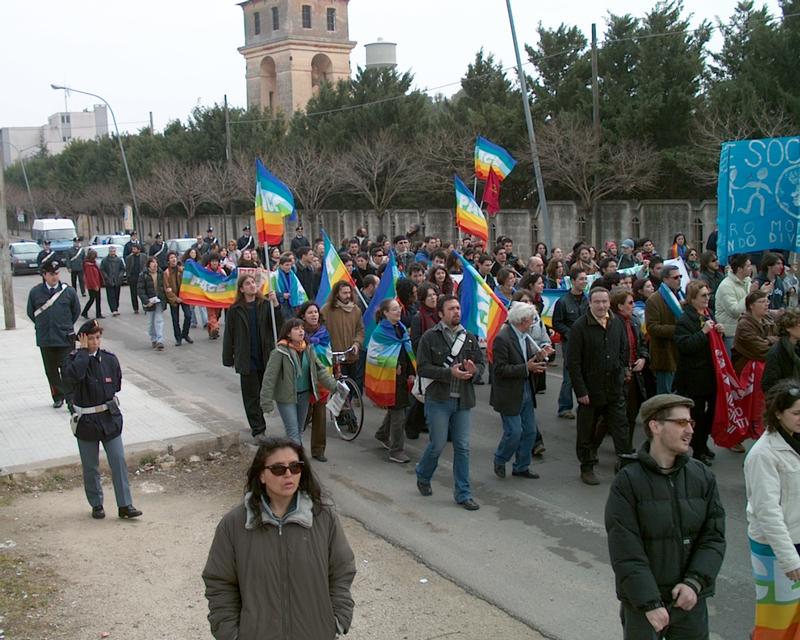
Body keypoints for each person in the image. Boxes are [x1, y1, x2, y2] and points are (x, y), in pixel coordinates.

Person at [202, 437, 356, 639]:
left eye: (295, 467)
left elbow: (342, 569)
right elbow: (219, 582)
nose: (289, 474)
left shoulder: (323, 518)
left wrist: (337, 619)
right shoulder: (234, 524)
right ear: (262, 475)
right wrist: (230, 633)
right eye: (278, 469)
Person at [605, 394, 726, 639]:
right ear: (655, 426)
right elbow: (625, 549)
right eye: (681, 423)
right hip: (644, 606)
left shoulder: (701, 476)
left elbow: (714, 537)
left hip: (690, 601)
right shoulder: (628, 482)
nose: (690, 430)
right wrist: (649, 603)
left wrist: (694, 583)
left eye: (691, 423)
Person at [63, 320, 142, 520]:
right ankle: (96, 504)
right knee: (90, 466)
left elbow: (115, 385)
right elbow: (73, 377)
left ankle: (125, 504)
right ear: (81, 340)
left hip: (108, 418)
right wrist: (82, 354)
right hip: (87, 421)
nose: (95, 342)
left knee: (118, 460)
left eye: (98, 338)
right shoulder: (73, 360)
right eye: (90, 339)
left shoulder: (109, 359)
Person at [415, 296, 484, 511]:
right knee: (437, 444)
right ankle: (423, 474)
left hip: (463, 400)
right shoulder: (430, 338)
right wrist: (448, 372)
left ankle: (463, 493)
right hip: (438, 400)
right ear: (441, 313)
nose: (456, 311)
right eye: (451, 308)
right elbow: (422, 368)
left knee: (462, 447)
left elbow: (481, 364)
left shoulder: (470, 337)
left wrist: (475, 371)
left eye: (458, 307)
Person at [744, 380, 800, 640]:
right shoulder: (763, 454)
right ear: (778, 412)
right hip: (776, 549)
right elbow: (767, 512)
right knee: (777, 623)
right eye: (797, 413)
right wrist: (789, 558)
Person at [568, 287, 635, 485]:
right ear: (590, 303)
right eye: (597, 302)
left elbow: (624, 349)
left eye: (605, 302)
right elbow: (573, 362)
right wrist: (581, 391)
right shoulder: (580, 327)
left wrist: (623, 371)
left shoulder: (616, 323)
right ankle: (587, 466)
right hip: (590, 391)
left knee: (621, 428)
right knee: (586, 431)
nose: (601, 306)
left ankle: (624, 465)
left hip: (614, 388)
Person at [491, 302, 547, 480]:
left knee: (530, 431)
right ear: (522, 321)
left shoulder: (525, 335)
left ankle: (522, 466)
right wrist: (526, 368)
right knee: (514, 432)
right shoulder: (503, 338)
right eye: (531, 320)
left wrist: (538, 358)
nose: (532, 324)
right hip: (509, 392)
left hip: (526, 389)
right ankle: (500, 459)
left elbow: (525, 360)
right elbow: (499, 370)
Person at [223, 274, 283, 444]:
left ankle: (261, 422)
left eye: (253, 283)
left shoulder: (264, 304)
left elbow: (278, 326)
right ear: (241, 289)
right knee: (251, 396)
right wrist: (228, 358)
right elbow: (229, 335)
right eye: (247, 284)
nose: (252, 285)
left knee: (266, 393)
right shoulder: (235, 309)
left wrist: (276, 305)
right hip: (246, 358)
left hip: (265, 355)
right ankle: (258, 430)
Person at [261, 318, 338, 444]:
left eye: (302, 328)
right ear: (288, 333)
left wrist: (334, 386)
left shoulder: (308, 349)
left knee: (299, 431)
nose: (301, 331)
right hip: (286, 398)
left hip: (304, 395)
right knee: (293, 433)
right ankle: (298, 461)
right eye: (296, 329)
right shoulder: (279, 352)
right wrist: (266, 402)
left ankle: (289, 458)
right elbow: (269, 378)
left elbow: (320, 371)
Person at [674, 280, 724, 466]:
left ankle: (702, 443)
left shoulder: (708, 313)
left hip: (710, 373)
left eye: (708, 295)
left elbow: (713, 338)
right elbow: (684, 346)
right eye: (703, 296)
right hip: (694, 376)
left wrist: (719, 331)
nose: (707, 299)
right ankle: (698, 448)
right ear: (692, 298)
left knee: (712, 412)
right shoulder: (684, 320)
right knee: (697, 415)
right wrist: (703, 333)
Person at [26, 259, 81, 409]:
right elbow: (31, 313)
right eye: (51, 274)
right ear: (44, 275)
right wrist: (43, 325)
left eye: (57, 273)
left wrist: (65, 325)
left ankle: (71, 398)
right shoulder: (35, 292)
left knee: (67, 370)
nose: (55, 277)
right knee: (51, 372)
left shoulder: (68, 291)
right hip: (46, 338)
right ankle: (57, 396)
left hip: (64, 338)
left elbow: (76, 311)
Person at [367, 299, 414, 464]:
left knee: (397, 408)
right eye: (394, 309)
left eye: (399, 308)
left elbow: (406, 350)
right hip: (390, 378)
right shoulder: (380, 332)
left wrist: (411, 371)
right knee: (399, 413)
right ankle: (396, 450)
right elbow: (373, 356)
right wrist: (392, 365)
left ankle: (382, 434)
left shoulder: (400, 328)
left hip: (402, 377)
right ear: (385, 313)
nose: (398, 311)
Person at [611, 289, 649, 451]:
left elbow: (641, 345)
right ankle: (592, 447)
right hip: (618, 376)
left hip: (635, 374)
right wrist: (623, 368)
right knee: (612, 417)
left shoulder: (634, 321)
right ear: (620, 306)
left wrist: (643, 358)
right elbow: (612, 352)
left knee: (632, 413)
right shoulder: (612, 324)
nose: (633, 306)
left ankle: (627, 447)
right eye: (630, 303)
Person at [552, 267, 589, 420]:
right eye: (581, 279)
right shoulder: (563, 302)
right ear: (573, 281)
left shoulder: (588, 300)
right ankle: (565, 407)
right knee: (569, 375)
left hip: (587, 342)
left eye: (585, 279)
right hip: (570, 343)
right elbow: (557, 323)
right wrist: (569, 333)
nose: (584, 282)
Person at [298, 301, 332, 461]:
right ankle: (294, 444)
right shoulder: (297, 333)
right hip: (303, 379)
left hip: (321, 379)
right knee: (302, 415)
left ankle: (318, 450)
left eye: (316, 312)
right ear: (303, 316)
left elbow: (329, 353)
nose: (314, 315)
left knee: (320, 414)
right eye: (310, 312)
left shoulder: (324, 333)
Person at [645, 263, 684, 394]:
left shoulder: (679, 295)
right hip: (664, 353)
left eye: (680, 276)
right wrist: (678, 330)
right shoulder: (654, 300)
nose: (679, 279)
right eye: (675, 277)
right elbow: (652, 328)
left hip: (679, 351)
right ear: (665, 279)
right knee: (665, 394)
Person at [322, 281, 365, 390]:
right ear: (337, 294)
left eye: (349, 293)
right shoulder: (326, 310)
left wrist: (356, 343)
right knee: (338, 388)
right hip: (334, 356)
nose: (348, 296)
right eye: (344, 293)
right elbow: (320, 329)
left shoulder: (356, 310)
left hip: (351, 355)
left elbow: (360, 330)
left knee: (351, 386)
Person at [732, 290, 778, 375]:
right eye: (762, 301)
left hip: (767, 369)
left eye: (767, 301)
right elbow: (760, 350)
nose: (766, 304)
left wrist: (767, 340)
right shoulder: (744, 325)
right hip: (747, 372)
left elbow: (781, 338)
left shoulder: (768, 320)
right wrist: (774, 342)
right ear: (751, 306)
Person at [716, 253, 753, 354]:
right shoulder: (726, 286)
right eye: (748, 266)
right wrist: (750, 294)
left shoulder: (747, 282)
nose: (751, 268)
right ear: (740, 269)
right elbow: (735, 311)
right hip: (731, 334)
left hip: (745, 331)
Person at [763, 308, 800, 393]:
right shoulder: (776, 352)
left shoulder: (797, 347)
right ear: (788, 327)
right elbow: (768, 385)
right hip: (787, 401)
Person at [163, 251, 194, 346]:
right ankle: (178, 337)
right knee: (175, 319)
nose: (174, 259)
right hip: (174, 299)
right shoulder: (166, 273)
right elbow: (167, 289)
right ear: (168, 261)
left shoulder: (181, 270)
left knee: (188, 315)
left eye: (175, 257)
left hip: (183, 297)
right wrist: (175, 298)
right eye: (171, 258)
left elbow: (189, 281)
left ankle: (185, 334)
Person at [138, 256, 167, 350]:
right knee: (151, 322)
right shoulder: (144, 275)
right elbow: (140, 289)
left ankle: (160, 340)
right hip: (150, 301)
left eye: (156, 262)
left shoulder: (160, 273)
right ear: (148, 264)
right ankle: (153, 338)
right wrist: (146, 301)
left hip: (159, 300)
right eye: (153, 262)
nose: (155, 264)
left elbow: (165, 285)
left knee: (159, 320)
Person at [99, 245, 124, 317]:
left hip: (117, 280)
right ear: (109, 252)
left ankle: (116, 308)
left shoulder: (119, 260)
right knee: (111, 296)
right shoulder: (105, 260)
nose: (112, 253)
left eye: (113, 251)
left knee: (116, 295)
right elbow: (102, 269)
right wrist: (106, 277)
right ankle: (113, 310)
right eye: (111, 251)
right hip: (109, 281)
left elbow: (122, 269)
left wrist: (120, 275)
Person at [81, 249, 104, 319]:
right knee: (92, 299)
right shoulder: (88, 265)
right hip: (93, 285)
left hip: (96, 284)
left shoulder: (92, 264)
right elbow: (91, 277)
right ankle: (85, 312)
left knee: (97, 299)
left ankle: (98, 313)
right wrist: (95, 286)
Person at [125, 243, 145, 314]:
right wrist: (128, 277)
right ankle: (135, 308)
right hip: (133, 278)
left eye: (134, 249)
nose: (133, 250)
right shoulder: (129, 258)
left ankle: (145, 306)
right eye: (132, 249)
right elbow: (127, 268)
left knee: (143, 293)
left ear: (139, 250)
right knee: (133, 294)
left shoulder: (144, 256)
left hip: (141, 278)